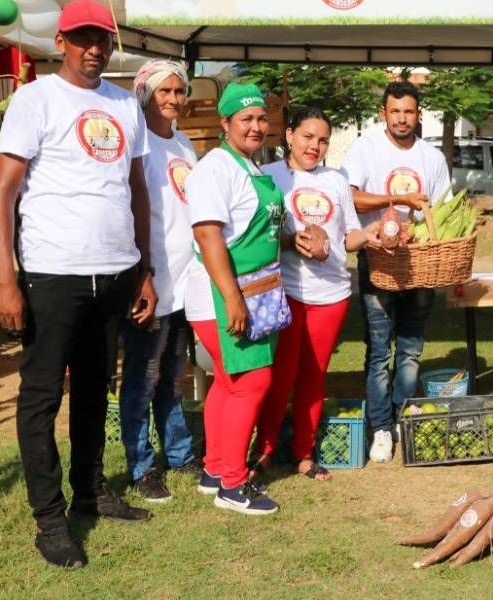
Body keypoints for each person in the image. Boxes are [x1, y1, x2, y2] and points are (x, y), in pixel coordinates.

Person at [0, 0, 156, 567]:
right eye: (82, 38)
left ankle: (89, 491)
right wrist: (5, 281)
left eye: (102, 39)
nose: (94, 49)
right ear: (61, 42)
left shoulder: (123, 104)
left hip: (115, 270)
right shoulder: (36, 99)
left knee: (92, 390)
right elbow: (2, 195)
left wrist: (144, 268)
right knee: (41, 396)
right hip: (52, 272)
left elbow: (136, 189)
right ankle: (49, 520)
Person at [254, 107, 379, 480]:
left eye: (323, 140)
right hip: (287, 293)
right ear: (289, 135)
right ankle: (265, 451)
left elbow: (348, 236)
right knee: (279, 376)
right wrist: (294, 242)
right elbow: (260, 236)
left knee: (313, 377)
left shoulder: (336, 181)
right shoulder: (268, 177)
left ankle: (304, 453)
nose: (315, 146)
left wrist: (368, 237)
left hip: (332, 295)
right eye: (308, 137)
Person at [185, 82, 285, 515]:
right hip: (223, 293)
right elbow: (208, 236)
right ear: (224, 123)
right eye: (245, 119)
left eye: (261, 118)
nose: (256, 126)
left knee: (228, 383)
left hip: (253, 291)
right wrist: (233, 299)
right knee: (251, 382)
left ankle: (214, 469)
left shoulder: (250, 166)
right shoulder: (215, 170)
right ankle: (233, 484)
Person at [340, 81, 451, 463]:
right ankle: (381, 428)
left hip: (420, 265)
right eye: (395, 111)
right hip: (378, 262)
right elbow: (349, 195)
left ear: (418, 114)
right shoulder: (366, 148)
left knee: (411, 349)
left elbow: (440, 211)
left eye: (409, 111)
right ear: (383, 114)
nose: (402, 118)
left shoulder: (433, 157)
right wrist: (398, 199)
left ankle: (403, 417)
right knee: (377, 352)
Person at [118, 59, 202, 504]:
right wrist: (141, 276)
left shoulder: (185, 145)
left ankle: (180, 452)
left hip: (186, 281)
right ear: (145, 94)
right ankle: (140, 464)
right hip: (151, 281)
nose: (173, 99)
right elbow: (134, 213)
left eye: (179, 91)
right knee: (142, 376)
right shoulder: (138, 144)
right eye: (164, 91)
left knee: (172, 376)